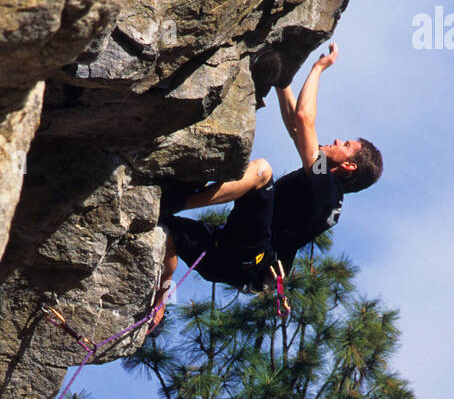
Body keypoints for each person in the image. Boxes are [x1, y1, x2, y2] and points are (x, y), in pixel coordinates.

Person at [149, 42, 382, 329]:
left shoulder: (327, 189)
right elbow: (297, 128)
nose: (336, 141)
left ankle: (175, 203)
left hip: (252, 255)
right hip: (226, 256)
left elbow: (303, 119)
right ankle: (160, 303)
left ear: (348, 166)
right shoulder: (326, 189)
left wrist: (318, 68)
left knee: (261, 171)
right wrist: (283, 80)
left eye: (345, 145)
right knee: (166, 234)